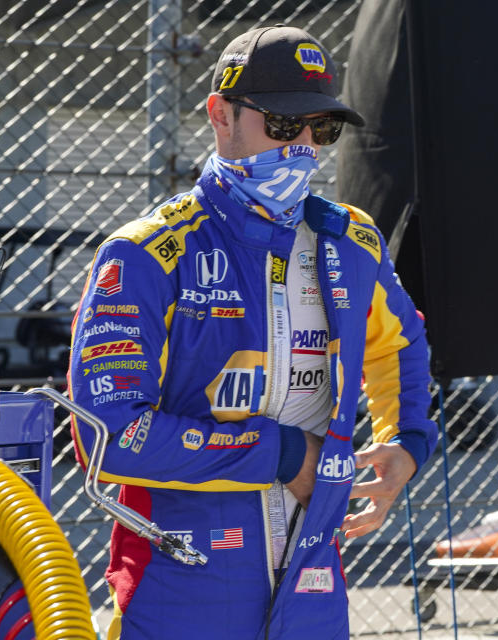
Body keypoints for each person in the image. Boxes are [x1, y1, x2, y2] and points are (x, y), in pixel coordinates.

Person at [67, 25, 436, 640]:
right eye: (286, 125)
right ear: (221, 115)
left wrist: (407, 446)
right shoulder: (145, 255)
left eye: (322, 128)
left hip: (314, 584)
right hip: (180, 585)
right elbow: (109, 438)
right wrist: (282, 453)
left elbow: (401, 348)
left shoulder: (352, 241)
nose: (305, 149)